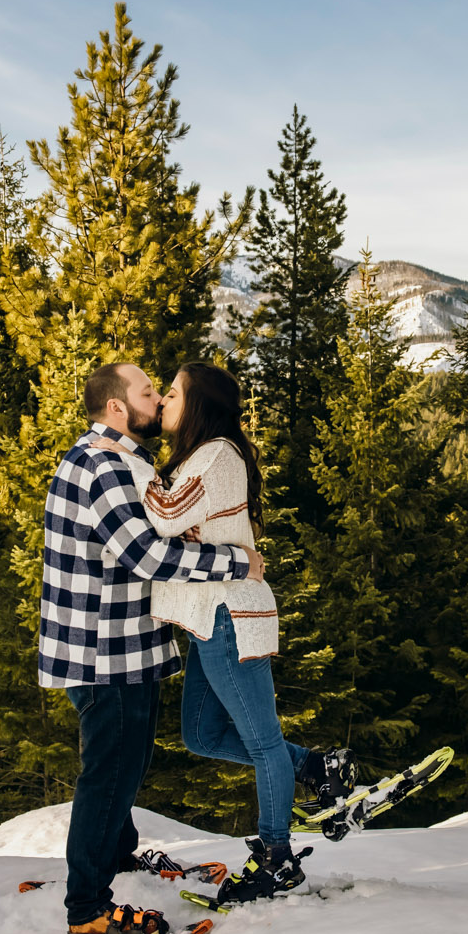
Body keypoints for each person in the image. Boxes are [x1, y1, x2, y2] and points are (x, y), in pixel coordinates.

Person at [94, 362, 359, 906]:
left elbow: (165, 517)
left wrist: (129, 459)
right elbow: (179, 517)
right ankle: (314, 765)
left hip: (229, 616)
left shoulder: (217, 453)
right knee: (202, 734)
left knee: (262, 743)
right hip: (208, 619)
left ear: (200, 404)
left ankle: (276, 860)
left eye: (172, 392)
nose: (163, 400)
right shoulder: (202, 456)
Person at [40, 362, 266, 934]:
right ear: (117, 407)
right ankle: (87, 911)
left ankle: (116, 860)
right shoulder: (104, 465)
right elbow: (148, 557)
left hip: (125, 647)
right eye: (147, 392)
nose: (158, 400)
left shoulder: (126, 461)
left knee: (126, 766)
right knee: (109, 772)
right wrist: (239, 563)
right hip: (102, 650)